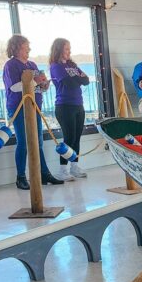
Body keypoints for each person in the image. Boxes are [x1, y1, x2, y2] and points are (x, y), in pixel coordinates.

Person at [3, 35, 63, 190]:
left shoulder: (32, 64)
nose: (28, 49)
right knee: (23, 142)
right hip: (18, 108)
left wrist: (43, 86)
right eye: (25, 47)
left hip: (34, 107)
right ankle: (21, 177)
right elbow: (14, 87)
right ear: (17, 48)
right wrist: (35, 82)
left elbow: (36, 87)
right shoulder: (10, 65)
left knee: (38, 142)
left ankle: (44, 173)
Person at [49, 38, 90, 181]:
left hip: (78, 105)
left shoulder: (72, 65)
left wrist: (78, 78)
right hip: (64, 106)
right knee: (69, 138)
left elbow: (86, 81)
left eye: (69, 48)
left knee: (77, 138)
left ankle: (74, 167)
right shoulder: (56, 66)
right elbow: (69, 83)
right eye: (66, 48)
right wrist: (79, 77)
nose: (69, 51)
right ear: (59, 49)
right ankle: (63, 170)